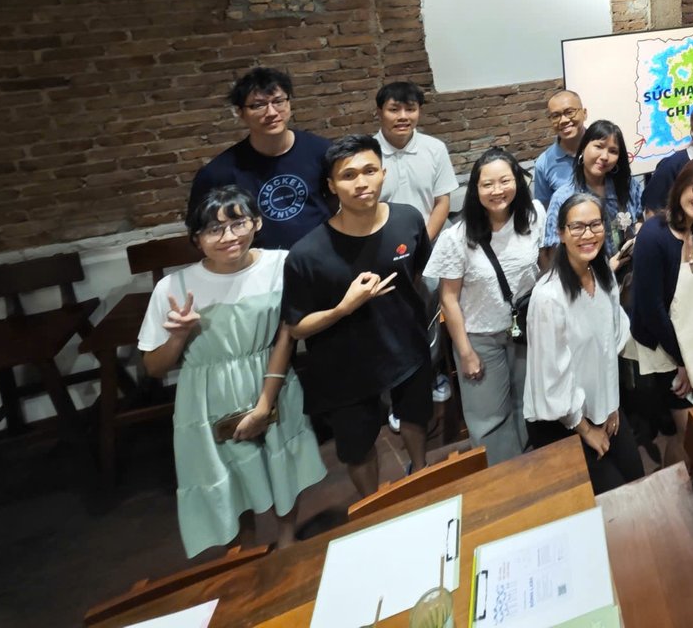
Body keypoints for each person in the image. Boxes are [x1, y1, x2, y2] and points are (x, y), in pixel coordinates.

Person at [139, 186, 326, 556]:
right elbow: (154, 368)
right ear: (196, 238)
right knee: (227, 477)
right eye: (214, 230)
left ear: (257, 222)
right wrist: (178, 337)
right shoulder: (173, 288)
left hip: (271, 378)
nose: (228, 237)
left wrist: (265, 402)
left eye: (238, 223)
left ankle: (287, 539)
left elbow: (289, 332)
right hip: (208, 398)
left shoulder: (281, 265)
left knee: (284, 461)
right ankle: (243, 554)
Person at [281, 136, 435, 496]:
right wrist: (344, 308)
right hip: (343, 366)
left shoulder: (408, 220)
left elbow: (416, 274)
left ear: (384, 173)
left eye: (369, 171)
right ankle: (373, 507)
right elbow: (297, 327)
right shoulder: (307, 254)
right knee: (358, 446)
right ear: (332, 185)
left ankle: (422, 476)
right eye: (348, 175)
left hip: (406, 347)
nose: (361, 182)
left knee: (415, 418)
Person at [524, 192, 645, 494]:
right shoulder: (548, 297)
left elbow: (610, 349)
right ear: (561, 233)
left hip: (603, 407)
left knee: (637, 480)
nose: (588, 234)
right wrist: (586, 429)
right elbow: (552, 378)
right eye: (577, 227)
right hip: (563, 419)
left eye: (595, 225)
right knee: (612, 499)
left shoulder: (603, 277)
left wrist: (612, 406)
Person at [427, 147, 541, 465]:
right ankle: (504, 478)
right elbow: (448, 298)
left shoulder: (534, 215)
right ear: (475, 189)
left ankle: (530, 467)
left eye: (504, 181)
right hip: (481, 337)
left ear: (517, 181)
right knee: (488, 418)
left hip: (526, 331)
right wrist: (465, 352)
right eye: (487, 184)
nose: (497, 190)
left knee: (527, 404)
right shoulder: (456, 238)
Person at [628, 158, 693, 463]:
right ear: (683, 184)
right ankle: (678, 488)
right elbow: (651, 310)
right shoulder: (654, 234)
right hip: (670, 353)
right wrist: (681, 361)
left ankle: (690, 484)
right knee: (690, 435)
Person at [187, 67, 332, 250]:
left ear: (289, 103)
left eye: (278, 101)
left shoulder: (321, 151)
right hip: (258, 264)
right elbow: (199, 230)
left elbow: (340, 202)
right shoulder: (218, 173)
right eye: (258, 105)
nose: (271, 112)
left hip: (322, 254)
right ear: (240, 112)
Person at [543, 120, 643, 261]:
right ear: (583, 148)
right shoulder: (563, 197)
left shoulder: (629, 186)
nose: (605, 157)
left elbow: (640, 220)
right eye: (599, 147)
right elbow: (554, 253)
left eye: (613, 151)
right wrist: (608, 269)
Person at [373, 80, 457, 247]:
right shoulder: (367, 154)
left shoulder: (435, 149)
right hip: (381, 245)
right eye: (394, 110)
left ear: (419, 111)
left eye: (410, 109)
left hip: (428, 243)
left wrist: (422, 244)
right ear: (380, 113)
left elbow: (442, 202)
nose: (403, 116)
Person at [532, 89, 588, 208]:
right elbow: (545, 209)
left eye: (570, 112)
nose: (563, 120)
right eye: (556, 116)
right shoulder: (544, 164)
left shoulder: (604, 148)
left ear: (584, 113)